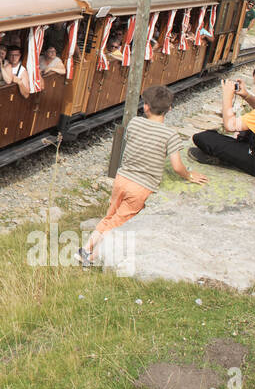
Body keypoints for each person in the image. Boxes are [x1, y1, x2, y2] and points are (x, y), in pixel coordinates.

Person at [80, 85, 207, 265]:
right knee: (119, 222)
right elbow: (177, 166)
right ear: (169, 109)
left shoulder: (134, 123)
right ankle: (92, 258)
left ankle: (85, 249)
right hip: (142, 186)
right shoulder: (170, 135)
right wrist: (189, 175)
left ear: (145, 107)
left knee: (110, 215)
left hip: (122, 178)